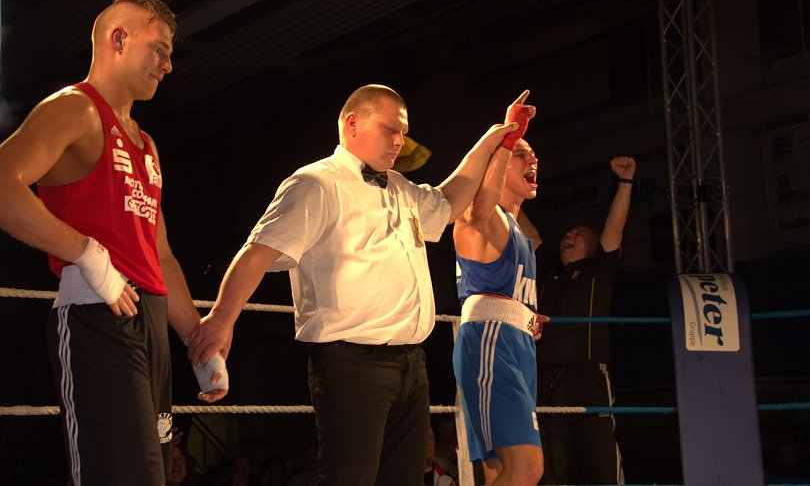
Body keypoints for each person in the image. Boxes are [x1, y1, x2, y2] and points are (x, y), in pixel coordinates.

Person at [186, 84, 519, 486]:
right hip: (350, 363)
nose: (399, 141)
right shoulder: (315, 183)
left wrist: (494, 139)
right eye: (390, 129)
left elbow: (451, 201)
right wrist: (223, 316)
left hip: (411, 363)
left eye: (403, 132)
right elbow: (257, 251)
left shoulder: (399, 187)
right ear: (352, 122)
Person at [0, 0, 228, 485]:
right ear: (119, 39)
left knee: (155, 476)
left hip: (151, 321)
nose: (168, 65)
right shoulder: (75, 109)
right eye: (159, 49)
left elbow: (159, 253)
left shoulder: (146, 143)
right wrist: (87, 254)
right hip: (98, 315)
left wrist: (197, 339)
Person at [516, 156, 636, 486]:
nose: (569, 234)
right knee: (553, 464)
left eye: (578, 233)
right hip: (545, 377)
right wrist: (505, 183)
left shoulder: (599, 270)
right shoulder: (550, 269)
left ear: (594, 245)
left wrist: (625, 183)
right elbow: (525, 229)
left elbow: (615, 228)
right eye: (567, 232)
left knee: (599, 457)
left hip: (587, 375)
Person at [452, 92, 545, 486]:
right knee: (526, 469)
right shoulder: (484, 218)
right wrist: (507, 138)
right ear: (499, 164)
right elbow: (476, 208)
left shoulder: (520, 230)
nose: (533, 160)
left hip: (514, 342)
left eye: (532, 154)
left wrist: (526, 314)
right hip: (492, 341)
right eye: (522, 154)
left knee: (501, 472)